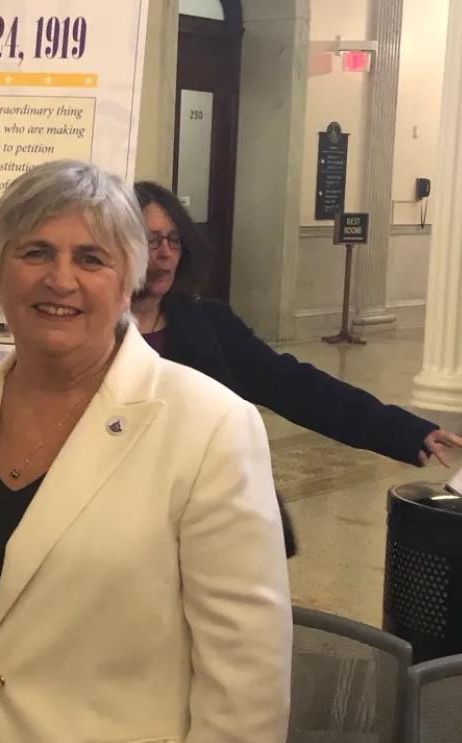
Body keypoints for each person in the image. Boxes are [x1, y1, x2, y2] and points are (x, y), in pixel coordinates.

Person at [0, 160, 292, 743]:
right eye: (35, 252)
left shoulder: (209, 425)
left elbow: (247, 683)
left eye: (92, 258)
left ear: (128, 282)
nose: (61, 279)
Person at [132, 181, 462, 554]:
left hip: (207, 512)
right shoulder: (94, 332)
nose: (165, 255)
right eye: (152, 241)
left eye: (174, 240)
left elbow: (296, 386)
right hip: (125, 516)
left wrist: (405, 430)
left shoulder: (208, 324)